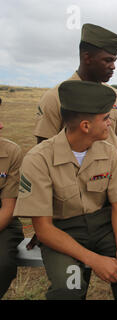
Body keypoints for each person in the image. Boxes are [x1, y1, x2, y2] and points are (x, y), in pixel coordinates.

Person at [13, 81, 117, 300]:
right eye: (105, 118)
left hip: (104, 228)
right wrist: (95, 260)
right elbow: (44, 229)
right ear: (85, 125)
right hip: (62, 232)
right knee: (69, 288)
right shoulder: (38, 159)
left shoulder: (109, 152)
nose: (110, 122)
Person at [33, 23, 117, 216]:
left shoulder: (114, 96)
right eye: (107, 60)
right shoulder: (55, 97)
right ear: (87, 58)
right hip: (75, 196)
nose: (113, 66)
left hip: (114, 189)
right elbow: (43, 153)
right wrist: (44, 215)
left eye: (114, 60)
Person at [0, 105, 24, 298]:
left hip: (3, 222)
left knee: (3, 264)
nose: (1, 126)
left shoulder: (11, 152)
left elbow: (9, 207)